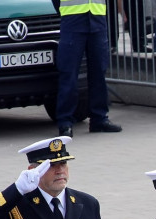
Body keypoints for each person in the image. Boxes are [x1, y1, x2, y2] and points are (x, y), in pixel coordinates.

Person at [55, 0, 122, 136]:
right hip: (73, 18)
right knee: (69, 73)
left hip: (97, 18)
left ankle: (99, 119)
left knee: (99, 72)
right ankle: (65, 122)